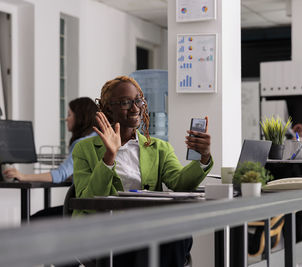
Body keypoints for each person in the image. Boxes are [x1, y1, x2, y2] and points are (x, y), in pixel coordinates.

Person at [72, 75, 213, 267]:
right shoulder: (85, 149)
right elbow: (88, 202)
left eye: (138, 100)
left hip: (148, 226)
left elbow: (180, 183)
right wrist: (109, 157)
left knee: (176, 234)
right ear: (107, 109)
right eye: (125, 102)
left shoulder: (159, 148)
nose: (136, 108)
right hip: (103, 231)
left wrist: (203, 157)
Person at [3, 97, 98, 183]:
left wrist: (22, 176)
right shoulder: (97, 139)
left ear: (80, 118)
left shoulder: (83, 144)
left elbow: (60, 174)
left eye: (69, 115)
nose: (66, 119)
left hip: (89, 201)